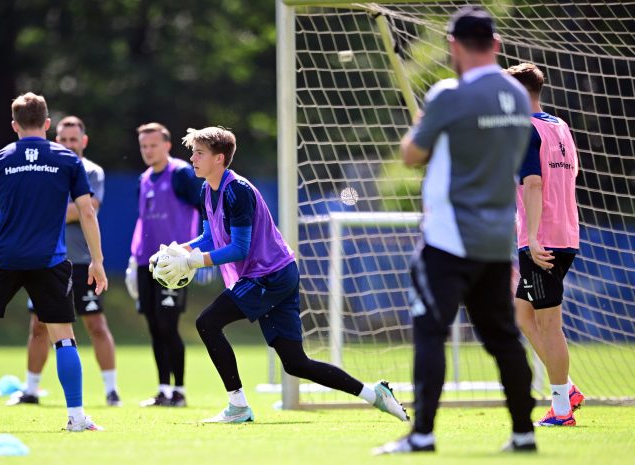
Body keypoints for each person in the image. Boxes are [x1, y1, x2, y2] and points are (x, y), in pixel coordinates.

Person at [152, 126, 410, 424]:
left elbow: (239, 248)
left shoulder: (238, 190)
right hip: (276, 273)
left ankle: (237, 407)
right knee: (295, 363)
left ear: (219, 158)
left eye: (199, 153)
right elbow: (209, 238)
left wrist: (193, 262)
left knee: (207, 323)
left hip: (269, 276)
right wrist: (178, 250)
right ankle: (374, 393)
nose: (192, 159)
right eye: (193, 152)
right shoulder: (206, 189)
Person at [373, 6, 536, 454]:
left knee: (430, 332)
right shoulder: (519, 97)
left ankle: (421, 434)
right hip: (498, 238)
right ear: (496, 45)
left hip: (449, 239)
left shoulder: (448, 94)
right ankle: (524, 433)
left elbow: (411, 154)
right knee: (503, 337)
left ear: (453, 46)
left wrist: (423, 127)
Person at [0, 92, 108, 432]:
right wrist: (97, 261)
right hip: (51, 259)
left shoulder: (0, 159)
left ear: (14, 124)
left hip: (4, 258)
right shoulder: (67, 159)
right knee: (64, 338)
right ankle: (75, 416)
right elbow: (87, 211)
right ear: (47, 124)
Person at [8, 116, 121, 407]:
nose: (69, 144)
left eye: (74, 139)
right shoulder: (46, 168)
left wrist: (46, 207)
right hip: (48, 260)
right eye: (64, 139)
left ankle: (111, 390)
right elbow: (73, 209)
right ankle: (31, 389)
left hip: (82, 261)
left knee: (95, 324)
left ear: (83, 141)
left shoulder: (92, 171)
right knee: (39, 326)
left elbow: (88, 210)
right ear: (55, 139)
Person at [505, 63, 583, 426]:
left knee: (549, 324)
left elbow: (534, 184)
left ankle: (562, 411)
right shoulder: (560, 126)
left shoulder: (524, 128)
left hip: (543, 239)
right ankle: (567, 389)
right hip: (565, 232)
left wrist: (533, 237)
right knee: (523, 314)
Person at [128, 122, 202, 408]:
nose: (148, 150)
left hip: (173, 264)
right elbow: (141, 221)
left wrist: (195, 251)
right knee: (153, 326)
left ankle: (179, 391)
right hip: (146, 263)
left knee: (168, 324)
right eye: (144, 146)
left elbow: (202, 207)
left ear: (167, 145)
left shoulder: (181, 173)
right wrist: (133, 258)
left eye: (153, 144)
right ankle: (162, 390)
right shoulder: (143, 179)